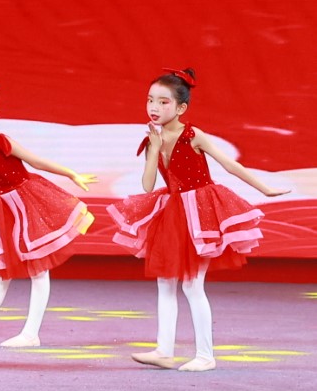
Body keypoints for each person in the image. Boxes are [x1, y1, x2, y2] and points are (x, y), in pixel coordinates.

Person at [111, 68, 289, 372]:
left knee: (192, 285)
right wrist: (154, 149)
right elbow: (147, 185)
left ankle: (206, 355)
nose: (154, 107)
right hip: (172, 212)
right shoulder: (152, 139)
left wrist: (265, 188)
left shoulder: (193, 135)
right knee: (165, 282)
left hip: (200, 212)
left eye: (163, 102)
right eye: (150, 100)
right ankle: (164, 351)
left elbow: (229, 165)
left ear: (181, 108)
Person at [0, 81, 95, 349]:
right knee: (1, 274)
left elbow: (36, 161)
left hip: (24, 205)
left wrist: (71, 174)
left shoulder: (2, 140)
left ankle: (31, 334)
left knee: (38, 268)